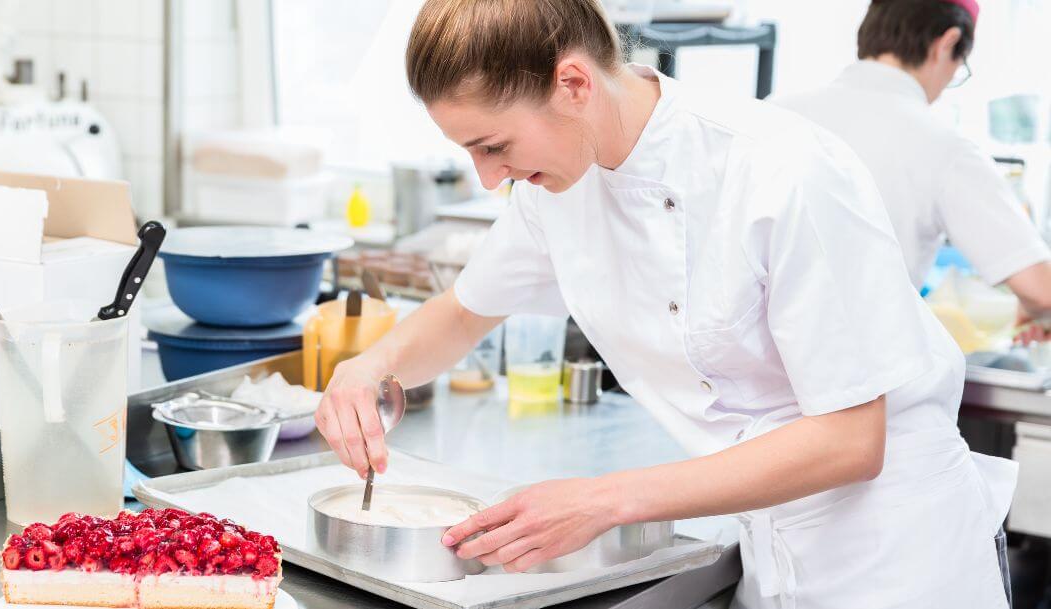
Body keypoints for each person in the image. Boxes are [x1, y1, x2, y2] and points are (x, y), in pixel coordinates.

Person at [314, 1, 1015, 606]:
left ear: (574, 84)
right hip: (767, 556)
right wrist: (369, 366)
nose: (489, 176)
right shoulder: (556, 186)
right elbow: (465, 312)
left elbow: (851, 439)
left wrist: (600, 499)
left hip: (900, 563)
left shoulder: (779, 167)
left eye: (493, 145)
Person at [773, 0, 1051, 345]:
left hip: (746, 384)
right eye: (959, 68)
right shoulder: (943, 146)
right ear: (947, 43)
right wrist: (1038, 311)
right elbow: (1042, 291)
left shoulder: (773, 112)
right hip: (864, 383)